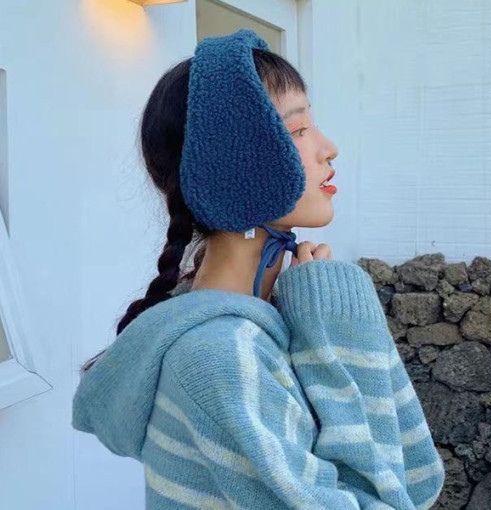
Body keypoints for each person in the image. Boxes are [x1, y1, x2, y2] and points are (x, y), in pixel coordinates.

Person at [72, 29, 445, 509]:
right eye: (298, 131)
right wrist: (345, 331)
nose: (329, 148)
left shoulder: (245, 323)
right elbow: (401, 492)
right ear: (238, 170)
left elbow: (416, 481)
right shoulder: (222, 357)